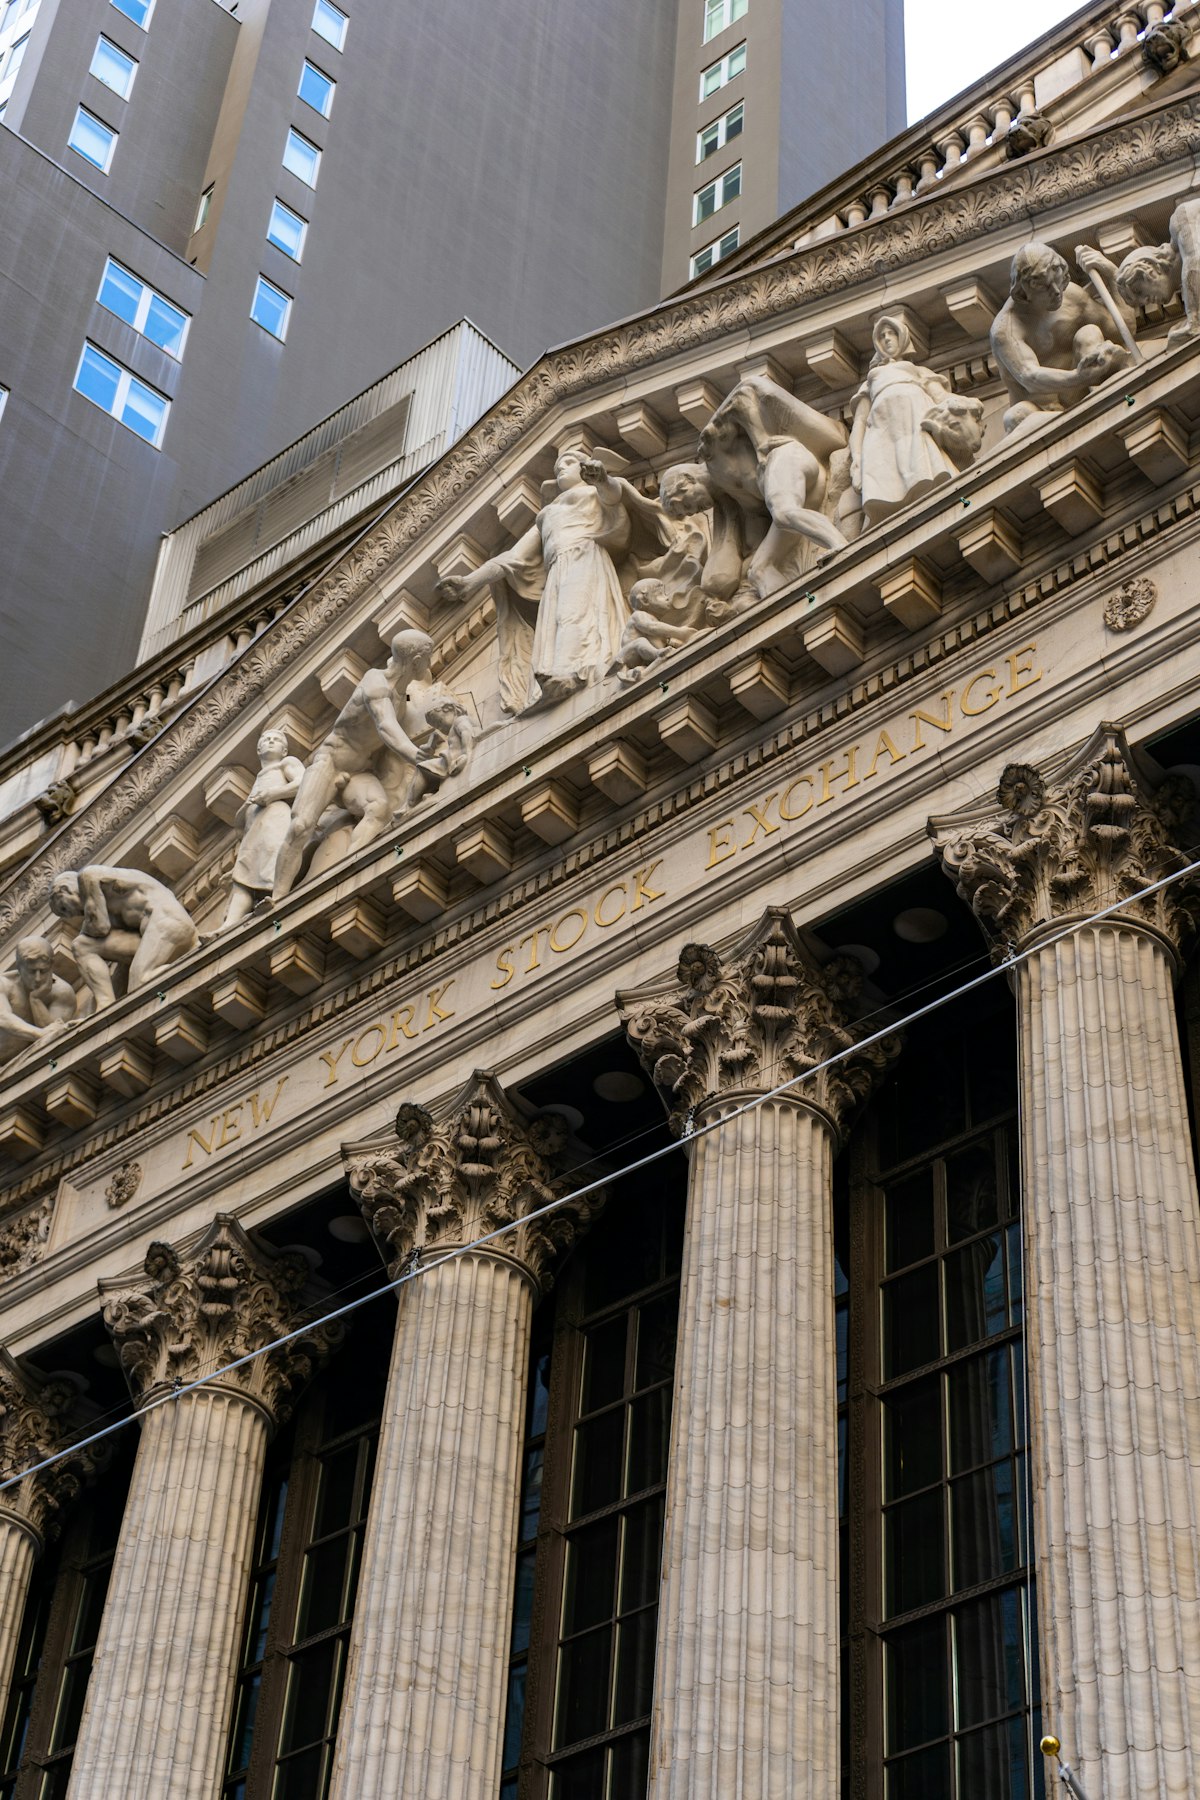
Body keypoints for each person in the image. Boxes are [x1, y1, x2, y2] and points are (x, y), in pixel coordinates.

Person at [436, 449, 672, 714]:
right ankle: (554, 677)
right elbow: (513, 558)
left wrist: (602, 479)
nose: (561, 467)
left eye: (569, 462)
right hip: (557, 570)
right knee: (557, 622)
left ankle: (572, 672)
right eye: (558, 464)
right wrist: (470, 581)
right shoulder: (546, 514)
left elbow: (614, 498)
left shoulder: (593, 492)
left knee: (574, 615)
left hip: (584, 557)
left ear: (584, 468)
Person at [271, 630, 461, 901]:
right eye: (427, 658)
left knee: (378, 808)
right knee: (301, 825)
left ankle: (347, 872)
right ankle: (277, 898)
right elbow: (386, 728)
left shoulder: (401, 692)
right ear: (417, 660)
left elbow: (410, 705)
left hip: (359, 772)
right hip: (330, 763)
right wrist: (418, 756)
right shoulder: (376, 683)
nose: (430, 663)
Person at [697, 373, 848, 599]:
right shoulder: (735, 499)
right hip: (792, 491)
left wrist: (760, 443)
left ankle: (838, 543)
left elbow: (742, 396)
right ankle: (790, 606)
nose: (694, 510)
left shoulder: (711, 453)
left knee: (784, 512)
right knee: (758, 569)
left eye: (684, 505)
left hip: (786, 459)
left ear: (685, 482)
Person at [990, 242, 1134, 435]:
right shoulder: (1006, 330)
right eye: (1046, 288)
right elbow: (1029, 376)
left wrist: (1111, 273)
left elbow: (1124, 329)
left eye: (1057, 281)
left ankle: (1108, 398)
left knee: (1089, 332)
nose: (1057, 292)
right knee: (1015, 417)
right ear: (1023, 293)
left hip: (1083, 392)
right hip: (1043, 414)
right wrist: (1077, 377)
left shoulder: (1072, 297)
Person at [849, 315, 967, 527]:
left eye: (891, 333)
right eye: (882, 336)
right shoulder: (872, 379)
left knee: (924, 469)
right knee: (887, 482)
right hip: (883, 435)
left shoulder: (917, 372)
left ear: (902, 337)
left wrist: (966, 404)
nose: (887, 339)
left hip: (915, 428)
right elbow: (859, 421)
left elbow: (941, 398)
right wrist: (856, 456)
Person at [49, 867, 199, 1011]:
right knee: (81, 946)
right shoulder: (108, 906)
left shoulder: (88, 876)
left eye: (64, 908)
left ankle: (186, 979)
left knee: (141, 982)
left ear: (65, 890)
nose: (72, 915)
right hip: (153, 936)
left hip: (169, 924)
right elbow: (90, 941)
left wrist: (86, 928)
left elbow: (100, 927)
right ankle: (105, 1006)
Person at [222, 728, 306, 929]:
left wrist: (273, 794)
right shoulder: (262, 775)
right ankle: (229, 925)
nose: (271, 741)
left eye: (276, 739)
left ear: (284, 751)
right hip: (254, 830)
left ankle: (275, 896)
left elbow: (304, 781)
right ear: (259, 750)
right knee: (243, 874)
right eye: (266, 739)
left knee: (272, 855)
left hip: (275, 818)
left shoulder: (286, 763)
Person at [0, 937, 77, 1068]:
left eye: (43, 971)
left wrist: (36, 1000)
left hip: (19, 1064)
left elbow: (53, 1036)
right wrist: (40, 1034)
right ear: (19, 967)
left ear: (51, 965)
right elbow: (3, 1018)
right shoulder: (4, 983)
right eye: (31, 971)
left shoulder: (62, 992)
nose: (38, 978)